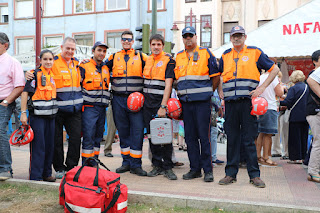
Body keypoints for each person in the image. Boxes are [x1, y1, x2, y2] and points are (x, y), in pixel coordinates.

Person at [215, 26, 279, 188]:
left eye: (240, 35)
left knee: (249, 139)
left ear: (245, 37)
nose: (237, 38)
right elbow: (218, 75)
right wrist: (220, 90)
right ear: (230, 38)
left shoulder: (254, 52)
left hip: (248, 103)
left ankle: (254, 175)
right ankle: (230, 174)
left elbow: (275, 69)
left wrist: (262, 88)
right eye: (234, 36)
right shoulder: (225, 55)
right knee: (232, 139)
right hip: (230, 103)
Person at [26, 37, 83, 178]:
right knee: (56, 141)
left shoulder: (77, 64)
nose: (70, 51)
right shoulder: (54, 61)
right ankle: (58, 168)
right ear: (62, 47)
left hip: (74, 110)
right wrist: (29, 73)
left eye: (72, 49)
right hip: (57, 110)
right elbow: (40, 71)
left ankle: (71, 167)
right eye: (67, 48)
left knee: (75, 139)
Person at [174, 26, 219, 182]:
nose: (188, 38)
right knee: (190, 138)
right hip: (186, 104)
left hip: (202, 104)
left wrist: (207, 93)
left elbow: (215, 77)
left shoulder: (206, 53)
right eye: (185, 36)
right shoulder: (178, 56)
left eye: (190, 36)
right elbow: (175, 80)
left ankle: (208, 170)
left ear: (195, 36)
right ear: (183, 38)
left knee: (203, 137)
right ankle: (194, 169)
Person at [106, 31, 148, 176]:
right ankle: (126, 162)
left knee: (137, 132)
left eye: (129, 40)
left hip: (136, 101)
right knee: (123, 132)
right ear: (121, 41)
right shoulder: (114, 57)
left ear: (132, 41)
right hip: (118, 100)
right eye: (124, 39)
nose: (126, 42)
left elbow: (154, 66)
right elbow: (101, 69)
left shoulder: (141, 57)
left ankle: (136, 165)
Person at [143, 34, 177, 180]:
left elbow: (168, 85)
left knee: (165, 136)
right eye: (153, 44)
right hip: (147, 105)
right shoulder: (147, 60)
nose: (156, 47)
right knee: (152, 136)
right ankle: (156, 165)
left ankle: (168, 166)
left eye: (158, 44)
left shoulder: (168, 61)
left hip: (160, 104)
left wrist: (163, 106)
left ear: (163, 46)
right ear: (150, 46)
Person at [20, 49, 57, 182]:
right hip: (37, 117)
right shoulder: (34, 75)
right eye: (45, 59)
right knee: (38, 147)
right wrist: (23, 113)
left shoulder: (52, 75)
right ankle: (36, 176)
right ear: (40, 60)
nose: (48, 62)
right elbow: (25, 93)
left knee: (49, 146)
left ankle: (46, 174)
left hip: (51, 117)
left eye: (50, 59)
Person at [79, 41, 110, 164]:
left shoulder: (106, 68)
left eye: (104, 51)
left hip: (102, 108)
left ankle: (94, 161)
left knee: (98, 137)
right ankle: (86, 165)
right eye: (99, 50)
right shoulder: (84, 66)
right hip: (89, 109)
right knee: (88, 137)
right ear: (93, 51)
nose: (101, 53)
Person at [0, 32, 25, 180]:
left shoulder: (12, 62)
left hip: (4, 102)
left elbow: (20, 86)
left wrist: (6, 102)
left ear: (5, 45)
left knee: (0, 132)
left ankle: (5, 168)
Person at [255, 70, 284, 167]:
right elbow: (280, 93)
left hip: (259, 106)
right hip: (270, 106)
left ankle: (258, 156)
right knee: (268, 134)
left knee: (261, 133)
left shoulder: (259, 77)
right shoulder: (273, 78)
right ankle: (266, 157)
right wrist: (282, 87)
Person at [280, 70, 309, 164]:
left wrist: (278, 102)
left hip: (295, 116)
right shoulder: (307, 87)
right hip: (306, 116)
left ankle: (296, 158)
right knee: (303, 137)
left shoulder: (293, 88)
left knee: (294, 137)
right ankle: (304, 156)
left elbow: (288, 102)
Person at [306, 52, 320, 182]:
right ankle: (313, 171)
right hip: (315, 111)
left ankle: (314, 170)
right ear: (315, 61)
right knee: (318, 141)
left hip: (313, 111)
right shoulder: (314, 74)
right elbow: (310, 81)